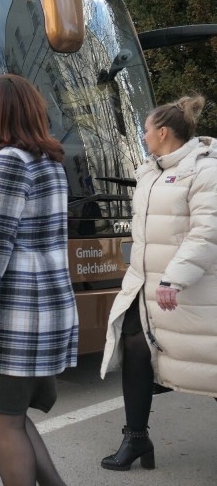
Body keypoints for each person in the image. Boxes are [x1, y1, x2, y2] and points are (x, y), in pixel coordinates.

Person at [0, 74, 78, 486]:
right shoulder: (50, 164)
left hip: (14, 314)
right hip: (46, 308)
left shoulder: (7, 162)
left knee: (4, 419)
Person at [99, 95, 217, 471]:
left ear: (163, 132)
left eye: (146, 130)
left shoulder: (206, 170)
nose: (143, 136)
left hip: (193, 291)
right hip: (145, 288)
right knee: (135, 348)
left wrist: (174, 277)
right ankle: (136, 439)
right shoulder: (149, 171)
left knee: (209, 364)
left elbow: (207, 233)